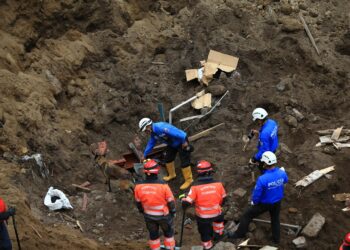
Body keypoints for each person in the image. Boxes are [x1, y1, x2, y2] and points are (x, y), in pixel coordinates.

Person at [229, 151, 288, 244]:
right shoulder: (282, 173)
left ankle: (239, 234)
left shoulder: (262, 179)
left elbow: (256, 195)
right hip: (277, 202)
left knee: (246, 215)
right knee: (275, 219)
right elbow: (285, 182)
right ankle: (276, 240)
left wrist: (254, 202)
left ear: (265, 163)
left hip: (265, 204)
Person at [181, 160, 226, 249]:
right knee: (219, 223)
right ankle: (219, 236)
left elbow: (187, 202)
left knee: (204, 232)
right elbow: (224, 199)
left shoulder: (195, 187)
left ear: (198, 173)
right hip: (217, 213)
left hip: (203, 217)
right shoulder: (218, 184)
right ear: (210, 172)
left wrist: (182, 200)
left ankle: (208, 246)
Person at [139, 118, 193, 190]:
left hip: (181, 140)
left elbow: (177, 133)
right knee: (168, 158)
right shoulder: (153, 133)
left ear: (148, 126)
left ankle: (189, 180)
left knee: (184, 160)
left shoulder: (160, 128)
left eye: (145, 130)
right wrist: (144, 155)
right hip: (172, 143)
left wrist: (184, 141)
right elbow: (151, 143)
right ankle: (172, 175)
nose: (146, 132)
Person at [134, 159, 176, 250]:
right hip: (163, 216)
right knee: (168, 233)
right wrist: (173, 212)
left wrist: (142, 211)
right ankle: (169, 248)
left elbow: (138, 202)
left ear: (145, 172)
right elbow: (171, 201)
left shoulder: (138, 187)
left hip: (149, 216)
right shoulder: (163, 186)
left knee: (153, 235)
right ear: (157, 171)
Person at [249, 108, 278, 173]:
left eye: (256, 120)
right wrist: (259, 133)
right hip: (274, 145)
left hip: (269, 150)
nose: (256, 122)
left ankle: (264, 173)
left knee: (260, 165)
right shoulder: (272, 122)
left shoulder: (264, 134)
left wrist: (254, 158)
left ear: (260, 119)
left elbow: (265, 150)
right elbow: (269, 134)